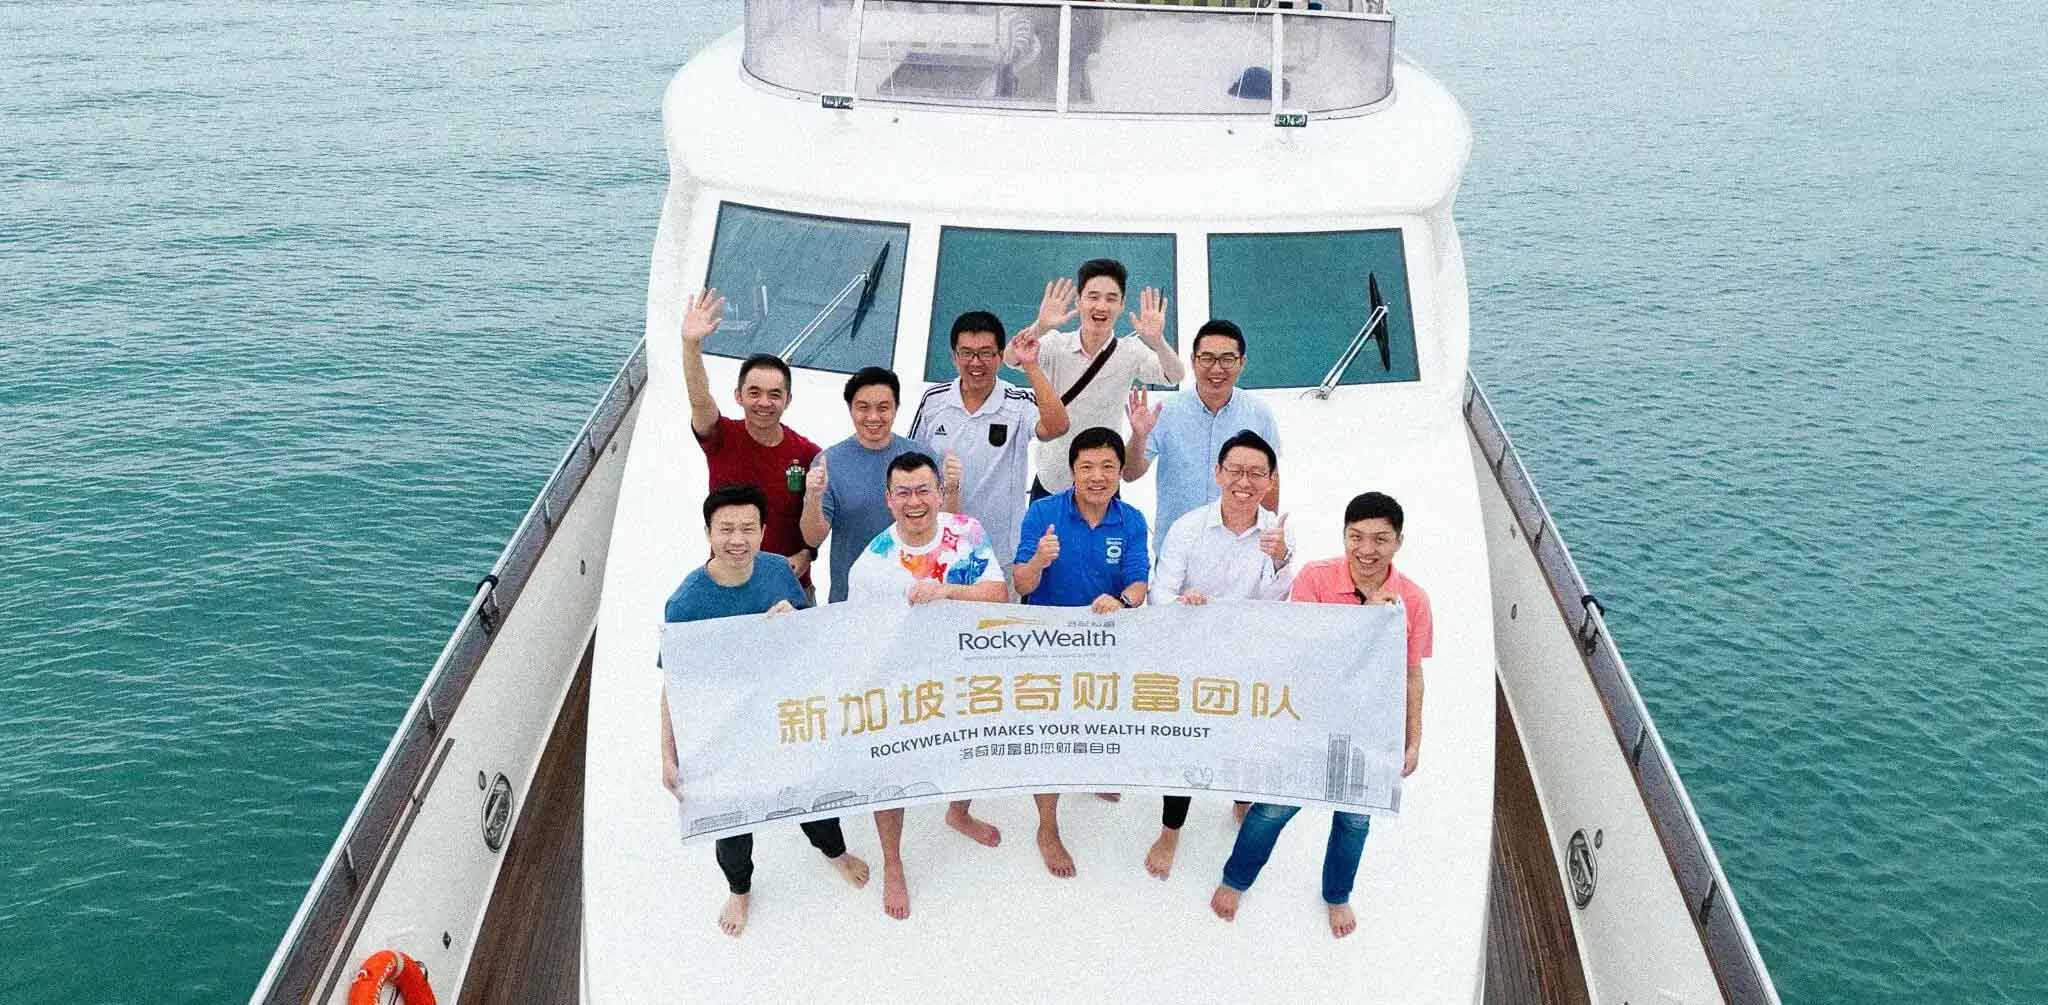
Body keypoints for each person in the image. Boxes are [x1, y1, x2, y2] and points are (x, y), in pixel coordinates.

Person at [1209, 491, 1433, 939]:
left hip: (1369, 728)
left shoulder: (1415, 600)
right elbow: (1300, 655)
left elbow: (1411, 676)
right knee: (1271, 809)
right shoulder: (1314, 579)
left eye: (1380, 539)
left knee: (1354, 820)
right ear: (1344, 536)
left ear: (1399, 542)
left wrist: (1413, 739)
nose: (1366, 550)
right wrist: (1365, 623)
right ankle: (1236, 878)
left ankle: (1336, 894)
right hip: (1310, 719)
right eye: (1356, 537)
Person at [658, 484, 871, 937]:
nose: (737, 539)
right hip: (725, 727)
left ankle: (834, 851)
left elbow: (810, 636)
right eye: (726, 529)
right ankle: (739, 888)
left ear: (763, 532)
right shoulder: (686, 602)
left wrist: (795, 624)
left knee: (811, 792)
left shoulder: (778, 571)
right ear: (708, 533)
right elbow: (675, 686)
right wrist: (668, 755)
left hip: (782, 713)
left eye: (748, 529)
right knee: (731, 817)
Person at [844, 453, 1009, 920]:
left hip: (963, 672)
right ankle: (893, 860)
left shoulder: (968, 532)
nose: (914, 502)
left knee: (969, 751)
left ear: (939, 492)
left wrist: (946, 590)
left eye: (923, 491)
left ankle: (958, 812)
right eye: (903, 493)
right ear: (888, 499)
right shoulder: (871, 563)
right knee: (890, 776)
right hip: (899, 684)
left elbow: (999, 594)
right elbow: (859, 636)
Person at [1142, 429, 1296, 879]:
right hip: (1191, 654)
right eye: (1235, 471)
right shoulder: (1188, 527)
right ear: (1217, 474)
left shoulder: (1277, 533)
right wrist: (1186, 609)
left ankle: (1242, 797)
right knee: (1188, 745)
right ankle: (1171, 830)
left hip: (1247, 657)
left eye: (1255, 473)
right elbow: (1160, 596)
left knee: (1247, 737)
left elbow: (1276, 608)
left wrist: (1283, 560)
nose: (1244, 482)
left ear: (1270, 481)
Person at [1012, 426, 1151, 877]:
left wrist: (1123, 602)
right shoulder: (1043, 514)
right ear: (1071, 471)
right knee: (1047, 736)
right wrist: (1039, 561)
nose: (1097, 476)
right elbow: (1021, 584)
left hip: (1102, 641)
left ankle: (1092, 773)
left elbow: (1138, 583)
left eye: (1108, 467)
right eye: (1087, 467)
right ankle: (1047, 827)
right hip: (1046, 645)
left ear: (1119, 473)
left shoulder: (1131, 520)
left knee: (1097, 715)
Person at [1005, 259, 1185, 500]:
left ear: (1121, 305)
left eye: (1111, 299)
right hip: (1053, 480)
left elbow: (1175, 375)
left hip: (1103, 483)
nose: (1101, 306)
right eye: (1093, 297)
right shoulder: (1056, 344)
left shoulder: (1130, 351)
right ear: (1079, 302)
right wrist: (1041, 326)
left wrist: (1157, 341)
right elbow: (1010, 359)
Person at [679, 288, 821, 595]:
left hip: (789, 587)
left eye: (775, 394)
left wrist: (809, 553)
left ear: (788, 400)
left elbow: (820, 517)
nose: (764, 403)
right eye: (754, 392)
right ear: (738, 396)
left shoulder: (808, 454)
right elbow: (700, 399)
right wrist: (691, 344)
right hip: (726, 583)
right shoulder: (721, 437)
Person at [908, 311, 1070, 576]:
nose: (976, 362)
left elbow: (1057, 426)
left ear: (999, 357)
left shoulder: (1017, 401)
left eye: (986, 353)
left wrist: (1031, 365)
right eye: (966, 353)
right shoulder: (933, 400)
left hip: (1000, 556)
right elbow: (909, 468)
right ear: (954, 356)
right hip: (939, 549)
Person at [1122, 319, 1281, 551]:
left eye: (1227, 359)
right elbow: (1129, 473)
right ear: (1193, 361)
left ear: (1242, 363)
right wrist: (1138, 437)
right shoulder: (1165, 412)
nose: (1217, 369)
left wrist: (1263, 541)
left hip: (1238, 548)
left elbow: (1270, 483)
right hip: (1177, 551)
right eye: (1207, 358)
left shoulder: (1259, 414)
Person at [799, 367, 921, 604]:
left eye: (883, 408)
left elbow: (946, 522)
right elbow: (812, 538)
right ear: (850, 408)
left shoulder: (922, 458)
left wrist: (953, 485)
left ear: (896, 408)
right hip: (850, 601)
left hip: (914, 600)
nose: (873, 417)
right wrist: (814, 497)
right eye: (863, 407)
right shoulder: (829, 462)